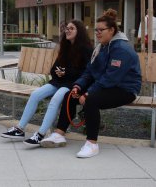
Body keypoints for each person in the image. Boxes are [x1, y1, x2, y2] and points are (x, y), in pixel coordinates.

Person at [41, 9, 142, 158]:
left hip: (125, 89)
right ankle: (59, 134)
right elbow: (89, 71)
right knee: (70, 94)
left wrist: (89, 92)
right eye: (96, 30)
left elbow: (110, 78)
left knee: (91, 100)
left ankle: (92, 144)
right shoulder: (102, 48)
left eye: (101, 30)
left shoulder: (122, 49)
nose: (98, 33)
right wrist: (78, 86)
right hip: (107, 86)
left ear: (112, 30)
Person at [1, 20, 92, 147]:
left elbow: (86, 73)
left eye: (72, 28)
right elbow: (54, 68)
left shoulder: (86, 49)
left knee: (55, 99)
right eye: (67, 28)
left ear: (79, 32)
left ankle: (40, 134)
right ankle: (20, 129)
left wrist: (65, 73)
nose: (67, 30)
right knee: (35, 94)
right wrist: (58, 72)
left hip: (72, 85)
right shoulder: (65, 47)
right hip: (58, 82)